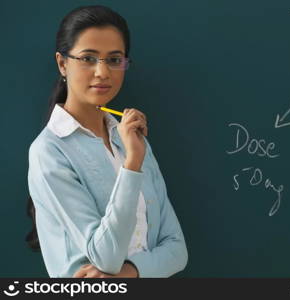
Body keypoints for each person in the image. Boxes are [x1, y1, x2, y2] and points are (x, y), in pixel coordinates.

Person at [26, 5, 188, 278]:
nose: (102, 72)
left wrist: (129, 275)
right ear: (62, 63)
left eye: (114, 60)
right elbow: (105, 257)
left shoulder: (131, 139)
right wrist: (132, 166)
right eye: (88, 58)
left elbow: (177, 251)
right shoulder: (50, 151)